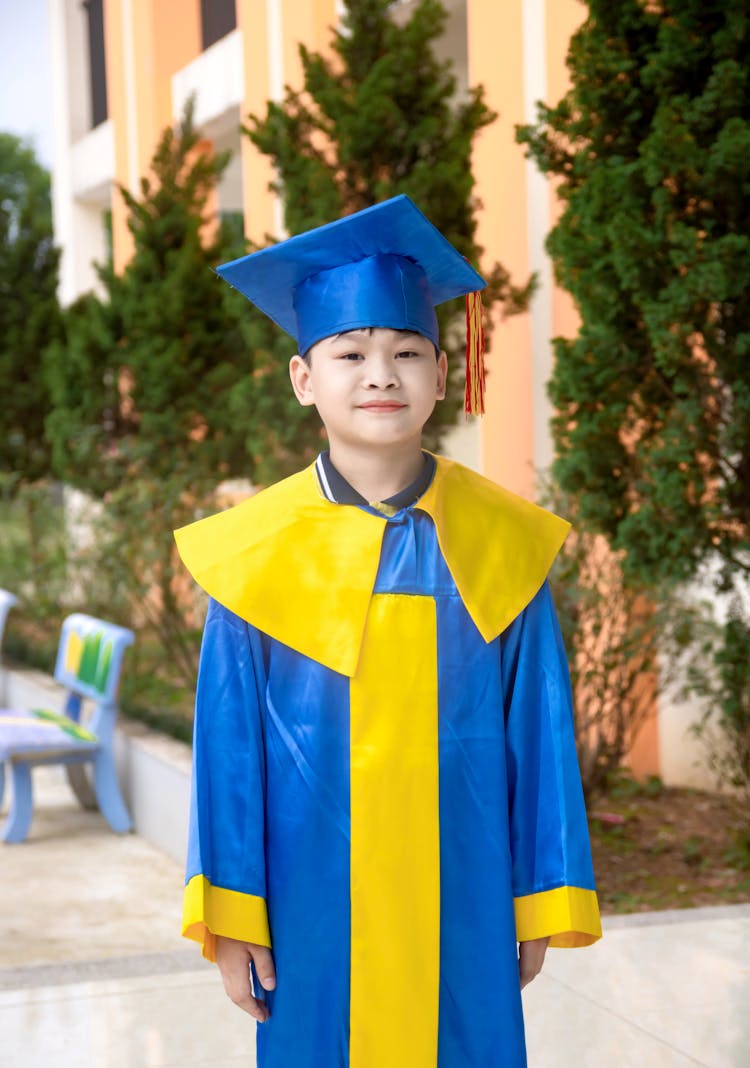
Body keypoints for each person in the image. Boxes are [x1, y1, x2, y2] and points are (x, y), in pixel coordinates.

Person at [175, 195, 601, 1068]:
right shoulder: (251, 556)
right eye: (351, 353)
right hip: (308, 903)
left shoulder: (503, 545)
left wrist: (537, 897)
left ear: (443, 377)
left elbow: (540, 735)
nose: (381, 374)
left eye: (407, 351)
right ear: (304, 380)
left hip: (467, 892)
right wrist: (232, 920)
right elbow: (229, 753)